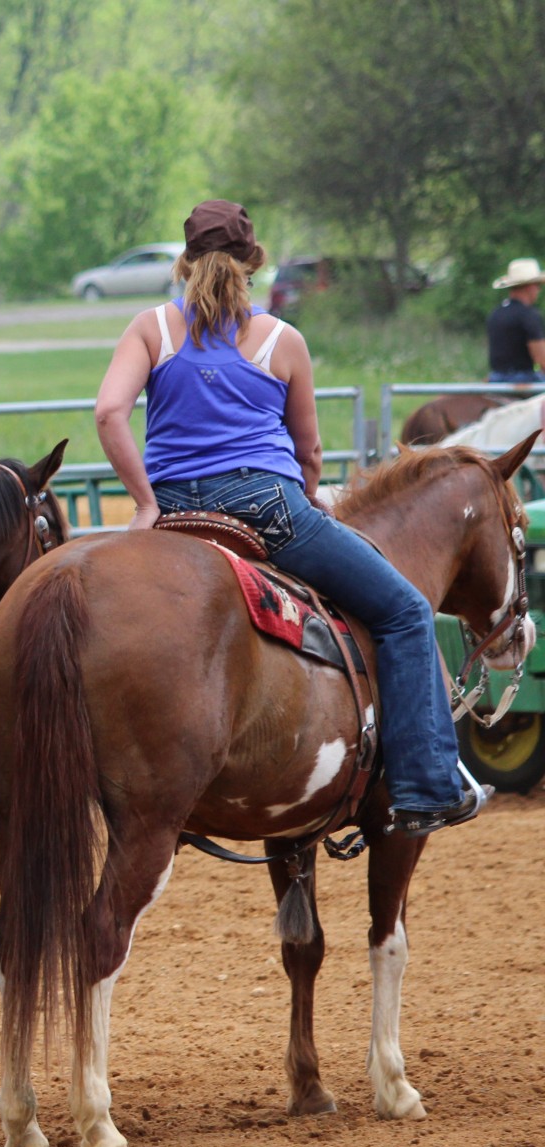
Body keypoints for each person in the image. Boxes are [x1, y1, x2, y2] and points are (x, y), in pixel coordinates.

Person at [94, 199, 484, 837]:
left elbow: (110, 413)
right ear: (253, 264)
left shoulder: (151, 330)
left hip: (176, 513)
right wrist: (303, 502)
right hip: (267, 509)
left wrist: (146, 502)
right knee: (407, 611)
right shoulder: (282, 340)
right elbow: (308, 451)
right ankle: (425, 785)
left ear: (184, 263)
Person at [486, 257, 545, 385]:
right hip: (523, 379)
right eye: (538, 286)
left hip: (495, 378)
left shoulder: (496, 313)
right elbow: (541, 360)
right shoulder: (529, 315)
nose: (539, 290)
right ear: (529, 287)